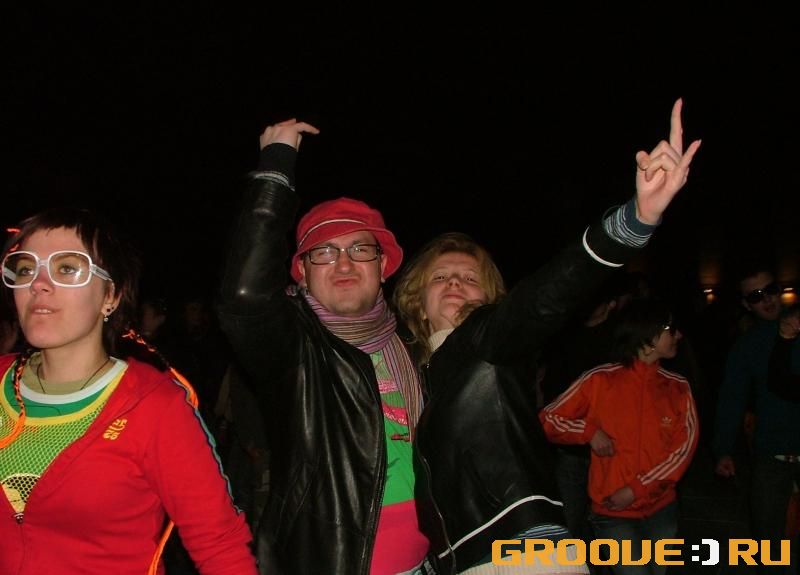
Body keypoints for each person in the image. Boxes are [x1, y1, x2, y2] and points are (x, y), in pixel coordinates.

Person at [392, 98, 700, 574]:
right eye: (440, 277)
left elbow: (543, 297)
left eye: (469, 278)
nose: (454, 283)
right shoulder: (419, 375)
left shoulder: (486, 341)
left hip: (521, 555)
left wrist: (633, 221)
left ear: (490, 297)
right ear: (417, 297)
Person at [217, 120, 429, 574]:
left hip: (428, 561)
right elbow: (244, 297)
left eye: (359, 250)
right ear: (303, 273)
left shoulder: (413, 348)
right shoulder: (295, 352)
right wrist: (275, 170)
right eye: (324, 252)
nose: (344, 264)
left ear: (383, 266)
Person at [0, 207, 257, 575]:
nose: (38, 284)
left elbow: (221, 548)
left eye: (67, 268)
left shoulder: (154, 407)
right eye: (26, 269)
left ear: (111, 295)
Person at [540, 299, 699, 575]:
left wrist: (637, 488)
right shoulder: (600, 380)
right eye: (671, 330)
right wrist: (588, 432)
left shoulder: (677, 387)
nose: (679, 335)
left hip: (662, 509)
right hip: (612, 513)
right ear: (649, 335)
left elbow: (682, 450)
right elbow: (548, 419)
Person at [712, 264, 800, 573]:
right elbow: (731, 398)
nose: (767, 299)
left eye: (770, 290)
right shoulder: (748, 345)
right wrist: (723, 449)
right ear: (746, 304)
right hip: (772, 453)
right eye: (756, 295)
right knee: (769, 544)